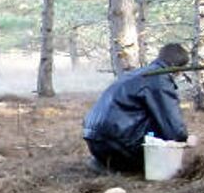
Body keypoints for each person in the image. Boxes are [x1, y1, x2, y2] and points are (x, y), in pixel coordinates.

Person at [83, 43, 196, 174]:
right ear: (177, 68)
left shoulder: (139, 73)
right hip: (117, 142)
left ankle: (104, 162)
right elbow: (170, 122)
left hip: (94, 138)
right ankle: (120, 166)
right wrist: (184, 138)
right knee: (160, 144)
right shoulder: (159, 78)